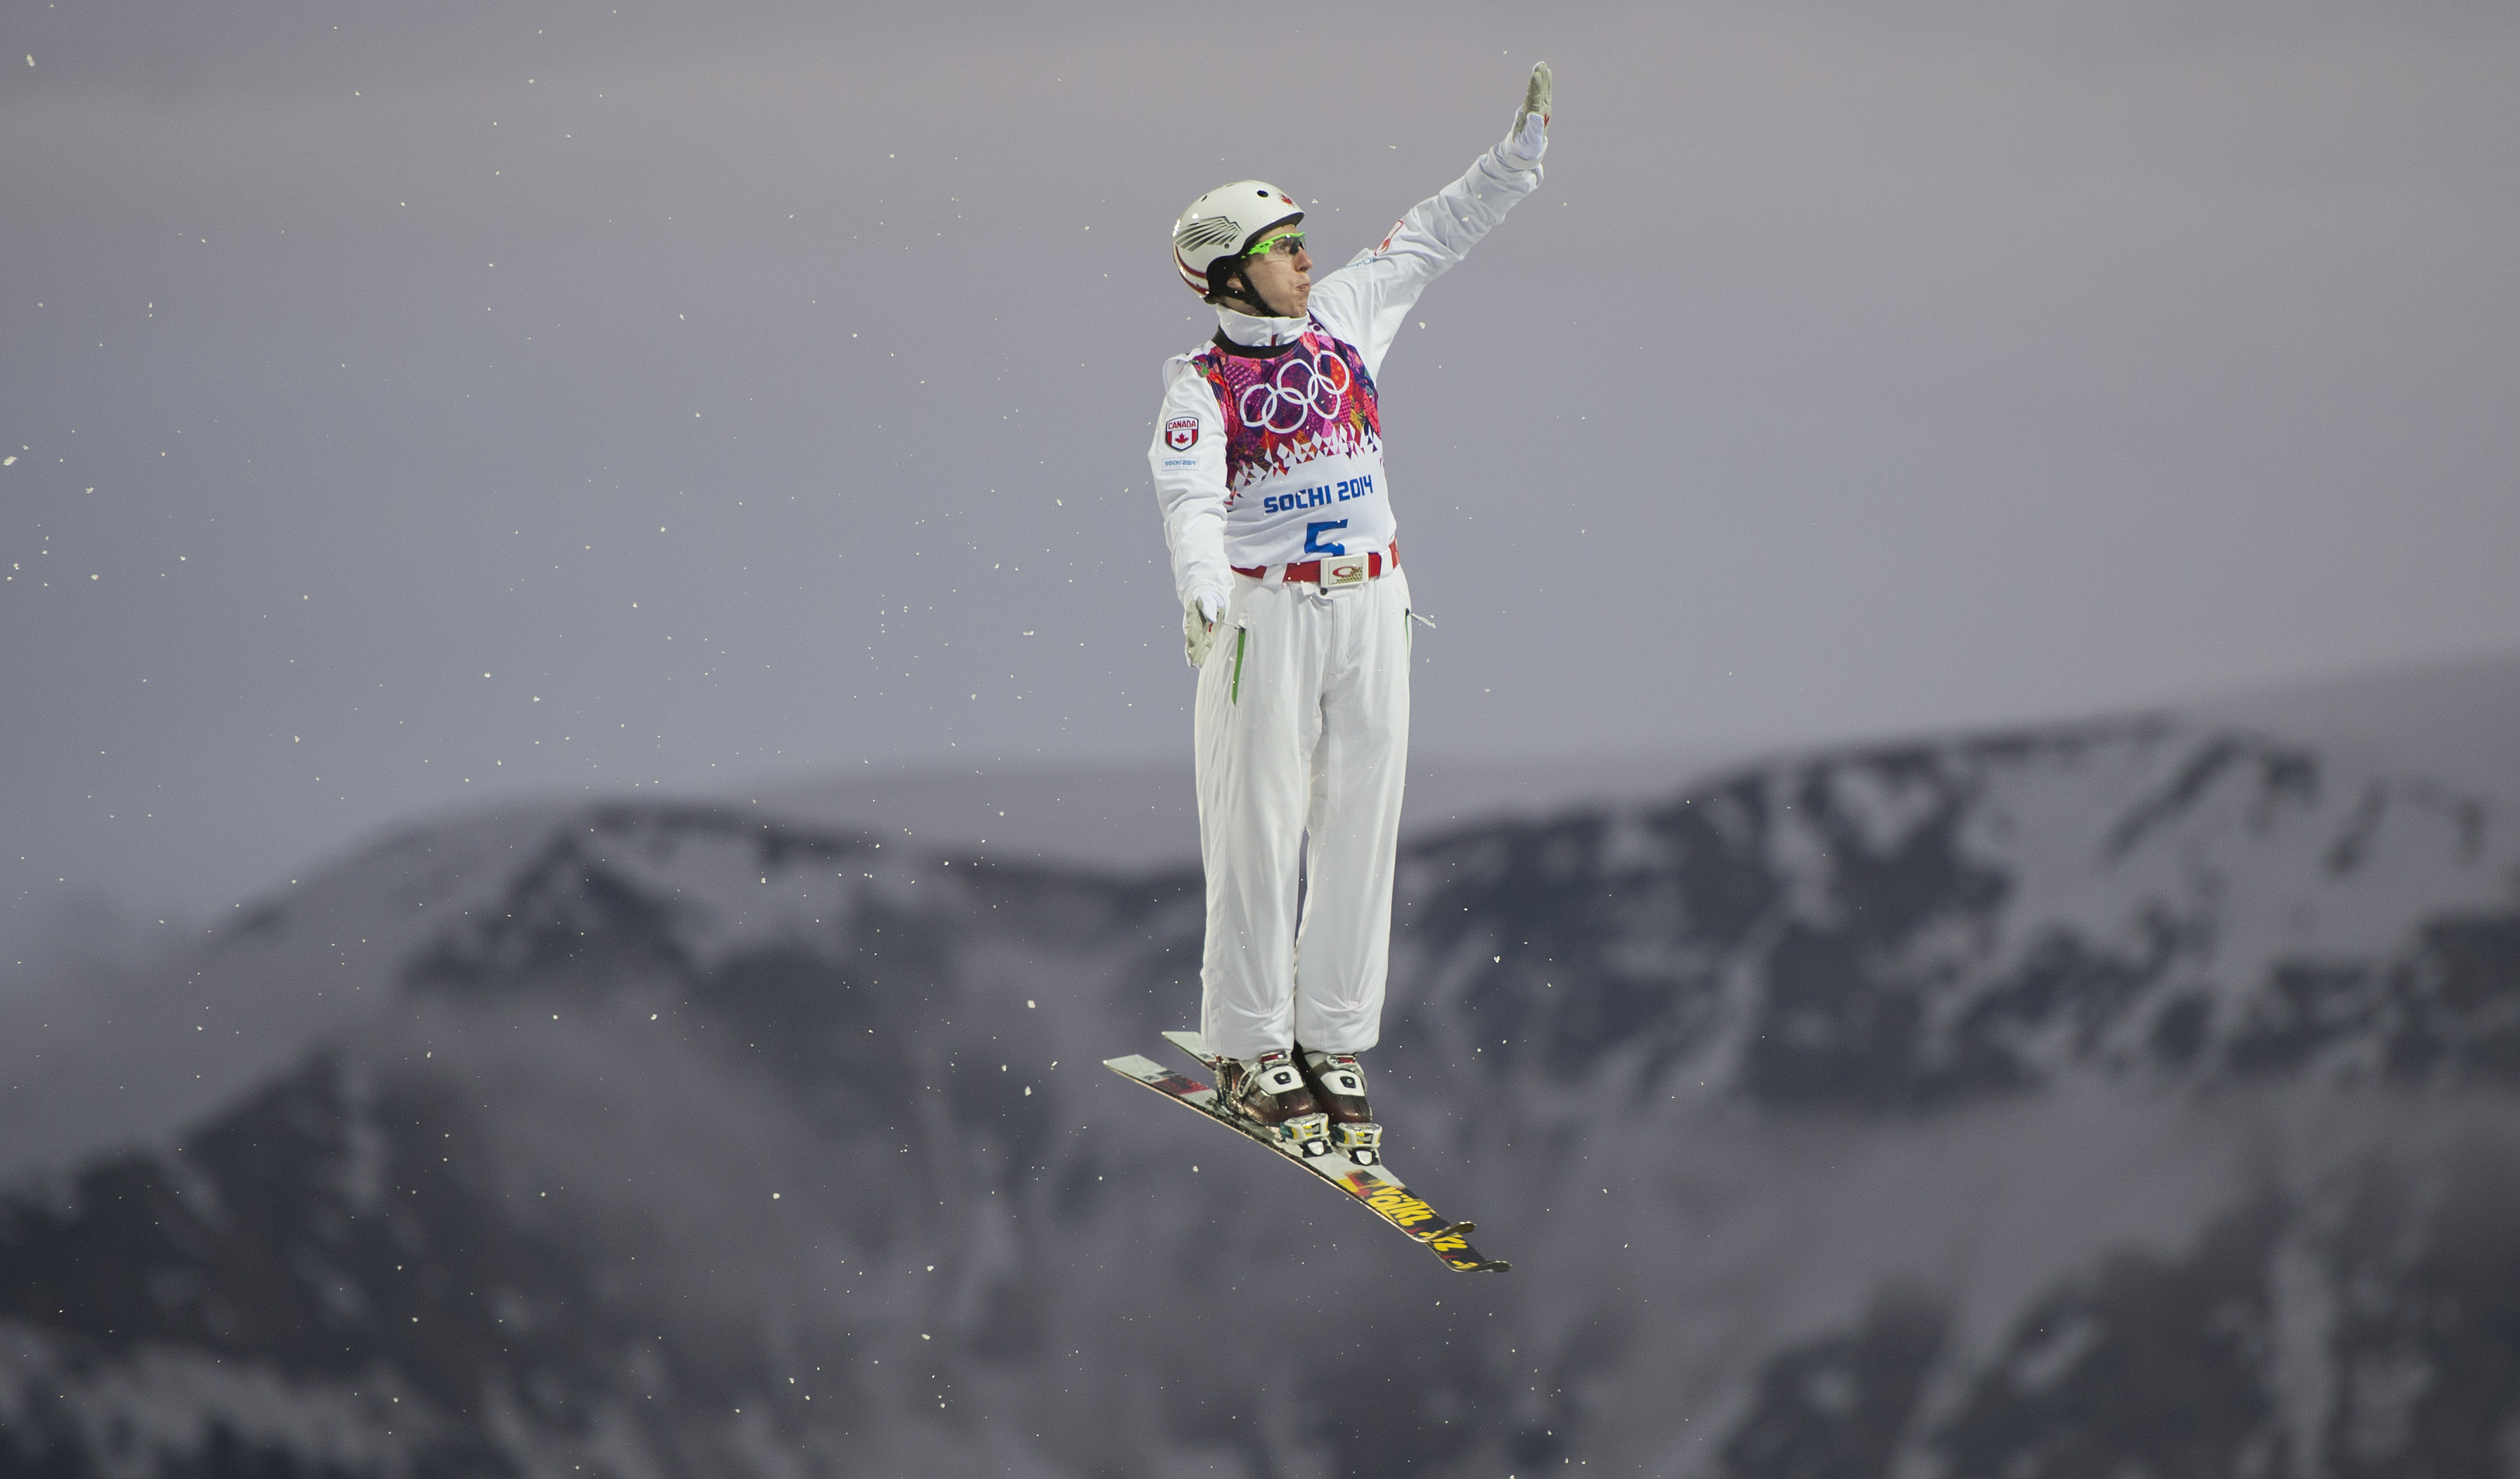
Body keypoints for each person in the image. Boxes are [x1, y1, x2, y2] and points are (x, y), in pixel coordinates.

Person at [1148, 64, 1552, 1156]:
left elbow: (1430, 236)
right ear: (1232, 275)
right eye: (1281, 247)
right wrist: (1200, 594)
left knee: (1361, 822)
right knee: (1257, 826)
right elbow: (1188, 498)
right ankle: (1244, 1046)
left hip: (1374, 605)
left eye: (1301, 238)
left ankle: (1329, 1038)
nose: (1303, 257)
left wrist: (1513, 160)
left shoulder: (1344, 317)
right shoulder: (1200, 386)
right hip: (1263, 621)